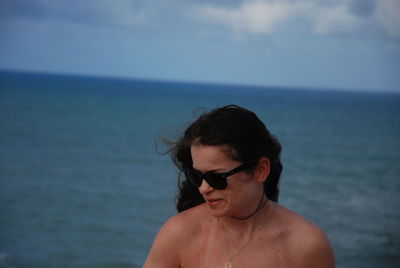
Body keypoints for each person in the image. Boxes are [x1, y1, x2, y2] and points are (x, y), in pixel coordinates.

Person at [143, 105, 335, 268]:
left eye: (217, 177)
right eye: (197, 176)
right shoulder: (178, 233)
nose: (203, 188)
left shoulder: (307, 246)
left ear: (261, 170)